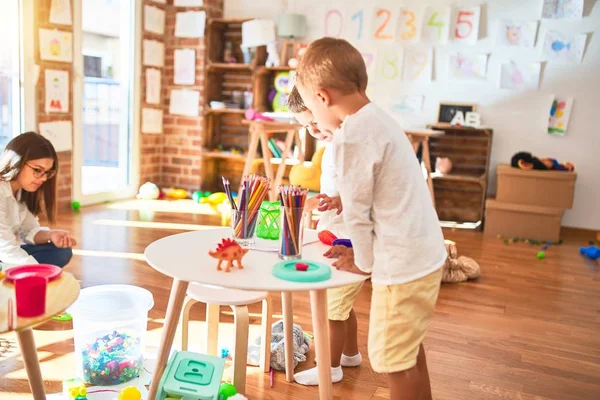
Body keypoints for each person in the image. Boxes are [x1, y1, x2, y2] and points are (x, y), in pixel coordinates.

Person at [295, 37, 447, 400]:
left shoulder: (350, 138)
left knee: (393, 360)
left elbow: (360, 219)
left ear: (322, 97)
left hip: (402, 266)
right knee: (407, 351)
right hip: (424, 255)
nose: (315, 122)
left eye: (313, 114)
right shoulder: (379, 119)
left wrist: (361, 264)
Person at [287, 87, 363, 385]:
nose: (315, 130)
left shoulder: (349, 145)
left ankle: (329, 369)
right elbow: (336, 190)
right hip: (336, 235)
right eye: (307, 126)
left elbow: (359, 192)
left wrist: (339, 200)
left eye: (316, 122)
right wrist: (322, 200)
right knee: (343, 304)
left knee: (333, 309)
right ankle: (350, 355)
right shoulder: (331, 147)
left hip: (350, 242)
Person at [0, 132, 76, 268]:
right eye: (37, 170)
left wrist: (50, 235)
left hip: (5, 256)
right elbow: (5, 249)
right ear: (17, 161)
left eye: (47, 172)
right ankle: (23, 273)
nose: (44, 178)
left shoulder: (24, 190)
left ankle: (15, 273)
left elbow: (29, 230)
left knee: (61, 251)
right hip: (3, 253)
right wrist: (38, 269)